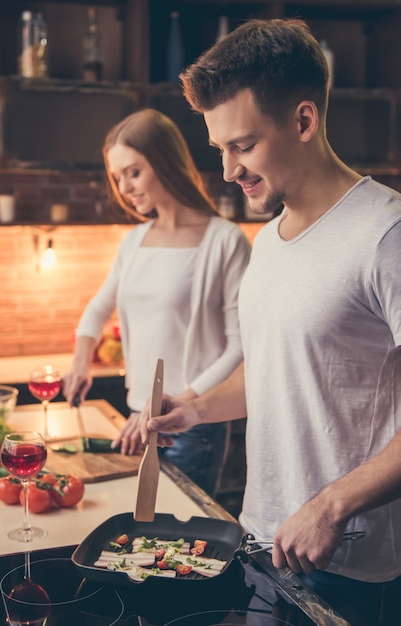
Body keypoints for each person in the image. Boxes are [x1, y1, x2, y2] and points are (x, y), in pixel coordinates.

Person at [139, 18, 401, 625]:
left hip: (349, 566)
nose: (228, 170)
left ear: (304, 121)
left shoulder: (385, 234)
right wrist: (197, 407)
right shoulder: (269, 242)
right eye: (220, 150)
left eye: (243, 146)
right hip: (261, 540)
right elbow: (277, 369)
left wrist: (333, 505)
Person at [62, 108, 251, 497]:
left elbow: (239, 346)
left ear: (165, 161)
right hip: (139, 415)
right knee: (140, 540)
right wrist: (80, 363)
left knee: (178, 538)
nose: (125, 187)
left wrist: (178, 404)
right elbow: (98, 308)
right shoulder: (133, 242)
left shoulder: (225, 241)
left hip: (195, 425)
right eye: (118, 178)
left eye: (133, 172)